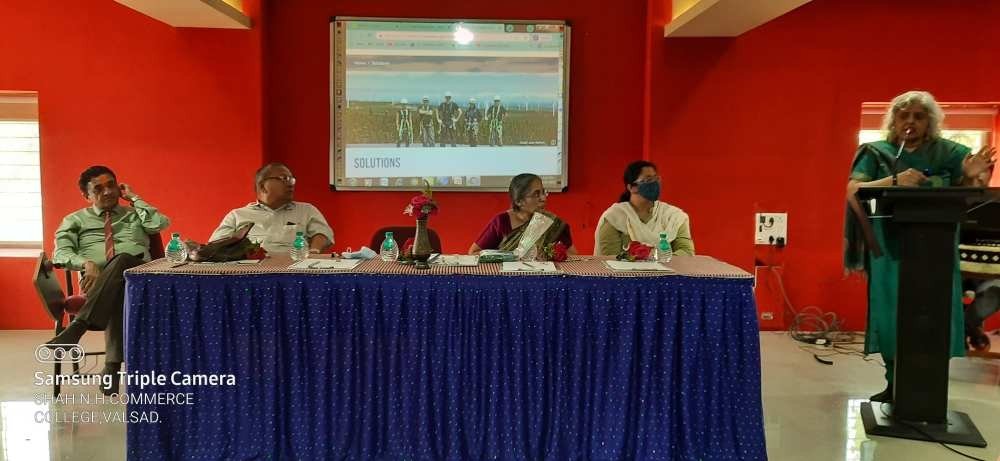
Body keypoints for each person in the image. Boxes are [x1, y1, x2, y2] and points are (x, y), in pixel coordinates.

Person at [844, 90, 997, 403]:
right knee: (892, 315)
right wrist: (895, 181)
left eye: (919, 116)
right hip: (889, 248)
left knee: (933, 314)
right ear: (893, 120)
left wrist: (971, 178)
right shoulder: (876, 152)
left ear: (931, 122)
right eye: (904, 115)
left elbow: (969, 190)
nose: (910, 122)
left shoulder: (949, 153)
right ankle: (894, 382)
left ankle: (928, 387)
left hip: (935, 251)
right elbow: (854, 190)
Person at [47, 165, 171, 395]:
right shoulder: (74, 220)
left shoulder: (135, 213)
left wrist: (134, 198)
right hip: (102, 286)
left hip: (142, 280)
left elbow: (160, 224)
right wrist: (86, 263)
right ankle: (111, 367)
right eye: (98, 189)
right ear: (86, 195)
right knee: (118, 287)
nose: (107, 192)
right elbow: (60, 254)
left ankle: (78, 327)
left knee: (122, 261)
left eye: (111, 185)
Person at [210, 162, 334, 255]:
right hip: (250, 271)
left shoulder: (306, 210)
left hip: (294, 269)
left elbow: (322, 233)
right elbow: (215, 245)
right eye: (284, 178)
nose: (291, 184)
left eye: (292, 180)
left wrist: (314, 251)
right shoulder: (237, 215)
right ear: (262, 186)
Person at [594, 161, 694, 257]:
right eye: (649, 180)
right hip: (624, 269)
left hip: (668, 268)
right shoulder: (614, 218)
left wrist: (658, 261)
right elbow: (610, 258)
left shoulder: (673, 216)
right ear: (631, 187)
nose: (655, 183)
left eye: (656, 179)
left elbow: (686, 251)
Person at [468, 173, 576, 255]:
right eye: (536, 194)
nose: (543, 198)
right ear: (519, 201)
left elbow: (572, 255)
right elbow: (473, 253)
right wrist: (505, 256)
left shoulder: (552, 223)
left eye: (543, 192)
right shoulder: (501, 222)